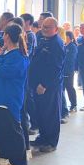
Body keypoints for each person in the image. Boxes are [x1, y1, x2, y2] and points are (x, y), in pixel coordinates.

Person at [0, 24, 30, 165]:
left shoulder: (18, 56)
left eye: (4, 34)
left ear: (7, 36)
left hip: (9, 98)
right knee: (5, 131)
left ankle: (20, 164)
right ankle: (8, 157)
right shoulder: (9, 54)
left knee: (13, 132)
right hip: (1, 97)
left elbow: (3, 71)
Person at [28, 17, 65, 153]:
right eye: (43, 26)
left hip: (49, 87)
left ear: (55, 29)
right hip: (37, 84)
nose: (44, 29)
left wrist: (44, 84)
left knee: (51, 114)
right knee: (41, 112)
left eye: (48, 27)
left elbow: (56, 68)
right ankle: (42, 137)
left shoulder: (57, 44)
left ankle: (51, 142)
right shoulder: (43, 40)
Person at [62, 31, 78, 117]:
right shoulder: (64, 46)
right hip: (62, 70)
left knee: (69, 87)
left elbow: (71, 59)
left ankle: (73, 105)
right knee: (62, 88)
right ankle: (63, 106)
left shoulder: (72, 46)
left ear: (69, 37)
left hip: (69, 70)